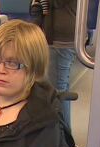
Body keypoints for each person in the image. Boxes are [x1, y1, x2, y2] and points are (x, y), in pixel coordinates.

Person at [32, 0, 78, 128]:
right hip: (58, 37)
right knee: (61, 89)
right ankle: (66, 138)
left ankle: (63, 139)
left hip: (60, 39)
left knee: (56, 92)